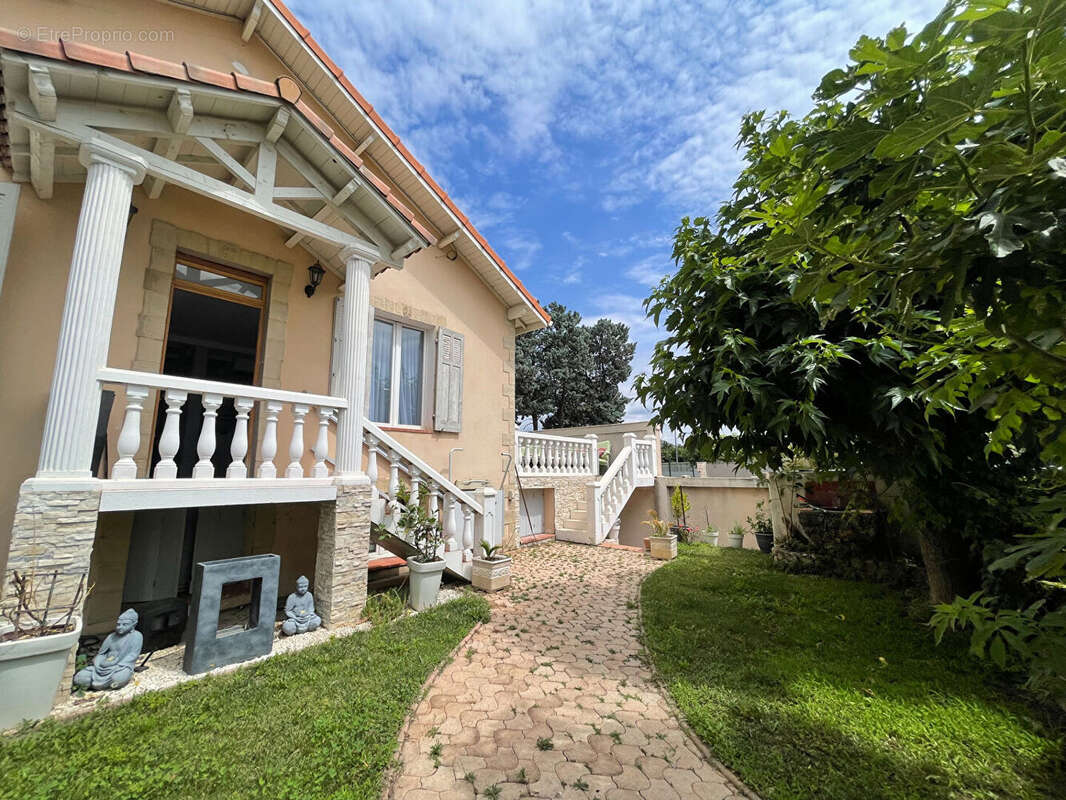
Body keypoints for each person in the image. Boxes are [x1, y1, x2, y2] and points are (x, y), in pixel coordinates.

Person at [73, 608, 142, 690]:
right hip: (102, 667)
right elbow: (101, 653)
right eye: (118, 624)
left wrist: (117, 665)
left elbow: (132, 656)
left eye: (124, 625)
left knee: (118, 679)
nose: (120, 627)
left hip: (120, 667)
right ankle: (101, 684)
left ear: (134, 624)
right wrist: (99, 663)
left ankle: (102, 685)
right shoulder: (111, 636)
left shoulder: (136, 636)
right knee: (80, 678)